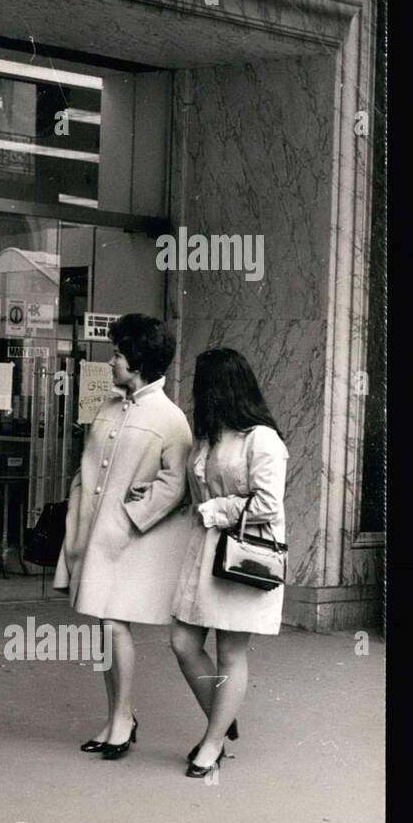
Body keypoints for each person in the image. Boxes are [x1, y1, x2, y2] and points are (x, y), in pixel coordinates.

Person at [54, 314, 192, 759]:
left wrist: (134, 514)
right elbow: (89, 467)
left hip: (131, 541)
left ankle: (122, 719)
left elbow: (176, 483)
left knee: (112, 625)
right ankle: (119, 716)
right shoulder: (110, 407)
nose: (111, 360)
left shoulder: (170, 418)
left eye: (117, 353)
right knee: (104, 625)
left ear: (138, 361)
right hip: (95, 535)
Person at [170, 347, 288, 778]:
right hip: (204, 552)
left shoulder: (262, 439)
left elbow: (269, 505)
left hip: (243, 557)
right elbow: (193, 491)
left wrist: (216, 511)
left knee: (230, 652)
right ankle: (223, 712)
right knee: (182, 642)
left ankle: (213, 740)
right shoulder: (207, 435)